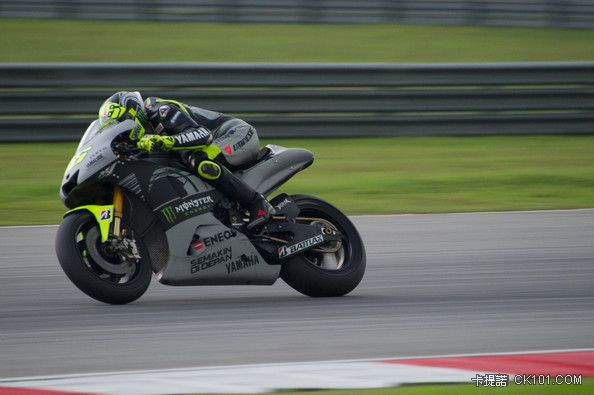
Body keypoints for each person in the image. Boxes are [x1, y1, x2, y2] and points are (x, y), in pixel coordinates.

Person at [98, 91, 275, 231]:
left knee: (197, 160)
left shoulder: (161, 110)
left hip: (235, 133)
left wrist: (165, 141)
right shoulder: (138, 142)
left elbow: (202, 135)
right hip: (215, 142)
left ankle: (256, 203)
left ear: (134, 113)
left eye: (123, 123)